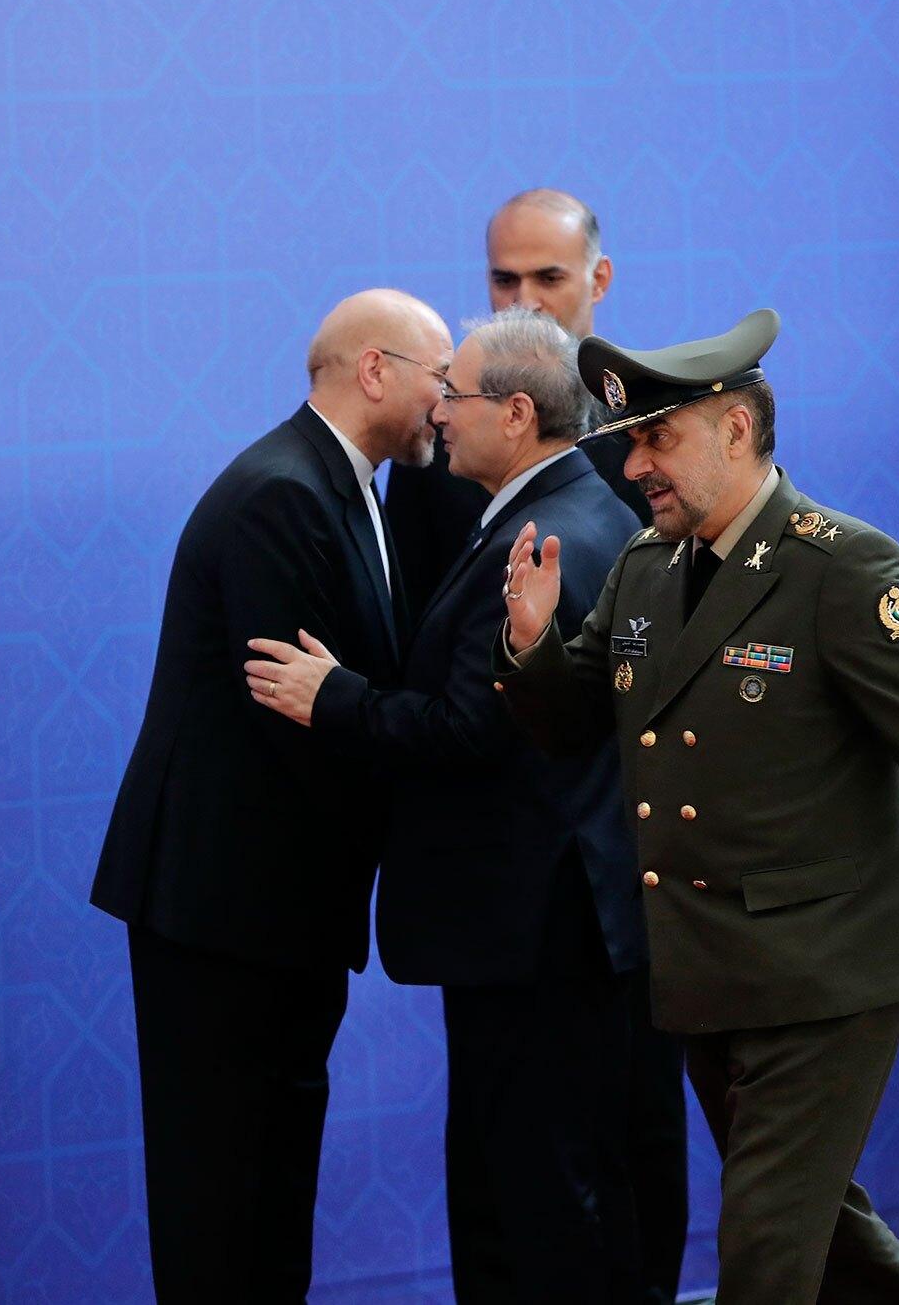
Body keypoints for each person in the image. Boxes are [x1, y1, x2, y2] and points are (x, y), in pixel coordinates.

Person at [494, 307, 899, 1305]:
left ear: (736, 428)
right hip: (707, 964)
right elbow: (572, 722)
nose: (635, 467)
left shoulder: (842, 568)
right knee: (817, 1230)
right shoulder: (643, 569)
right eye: (631, 443)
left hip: (827, 967)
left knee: (763, 1249)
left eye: (657, 439)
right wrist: (531, 642)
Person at [244, 307, 662, 1303]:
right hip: (540, 927)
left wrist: (334, 698)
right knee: (530, 1185)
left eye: (455, 392)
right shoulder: (574, 512)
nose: (438, 410)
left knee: (534, 1200)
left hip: (532, 931)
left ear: (514, 415)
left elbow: (473, 727)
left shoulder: (541, 538)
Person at [91, 288, 451, 1301]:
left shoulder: (350, 487)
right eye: (440, 376)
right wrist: (439, 810)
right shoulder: (281, 496)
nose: (449, 400)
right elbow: (297, 723)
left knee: (273, 1178)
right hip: (222, 913)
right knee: (221, 1191)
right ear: (373, 370)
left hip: (277, 912)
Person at [386, 189, 648, 613]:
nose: (525, 302)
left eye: (549, 279)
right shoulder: (442, 424)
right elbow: (411, 598)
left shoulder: (646, 419)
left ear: (599, 279)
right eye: (505, 280)